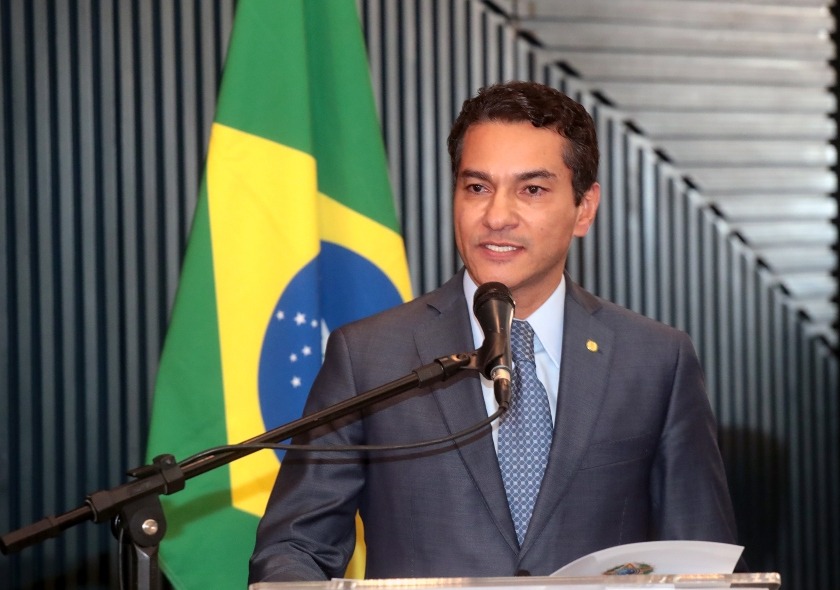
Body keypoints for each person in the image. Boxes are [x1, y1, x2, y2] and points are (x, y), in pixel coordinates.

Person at [249, 81, 738, 582]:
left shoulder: (655, 360)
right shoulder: (370, 355)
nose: (497, 216)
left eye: (532, 190)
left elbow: (699, 561)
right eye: (477, 187)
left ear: (584, 208)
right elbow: (294, 548)